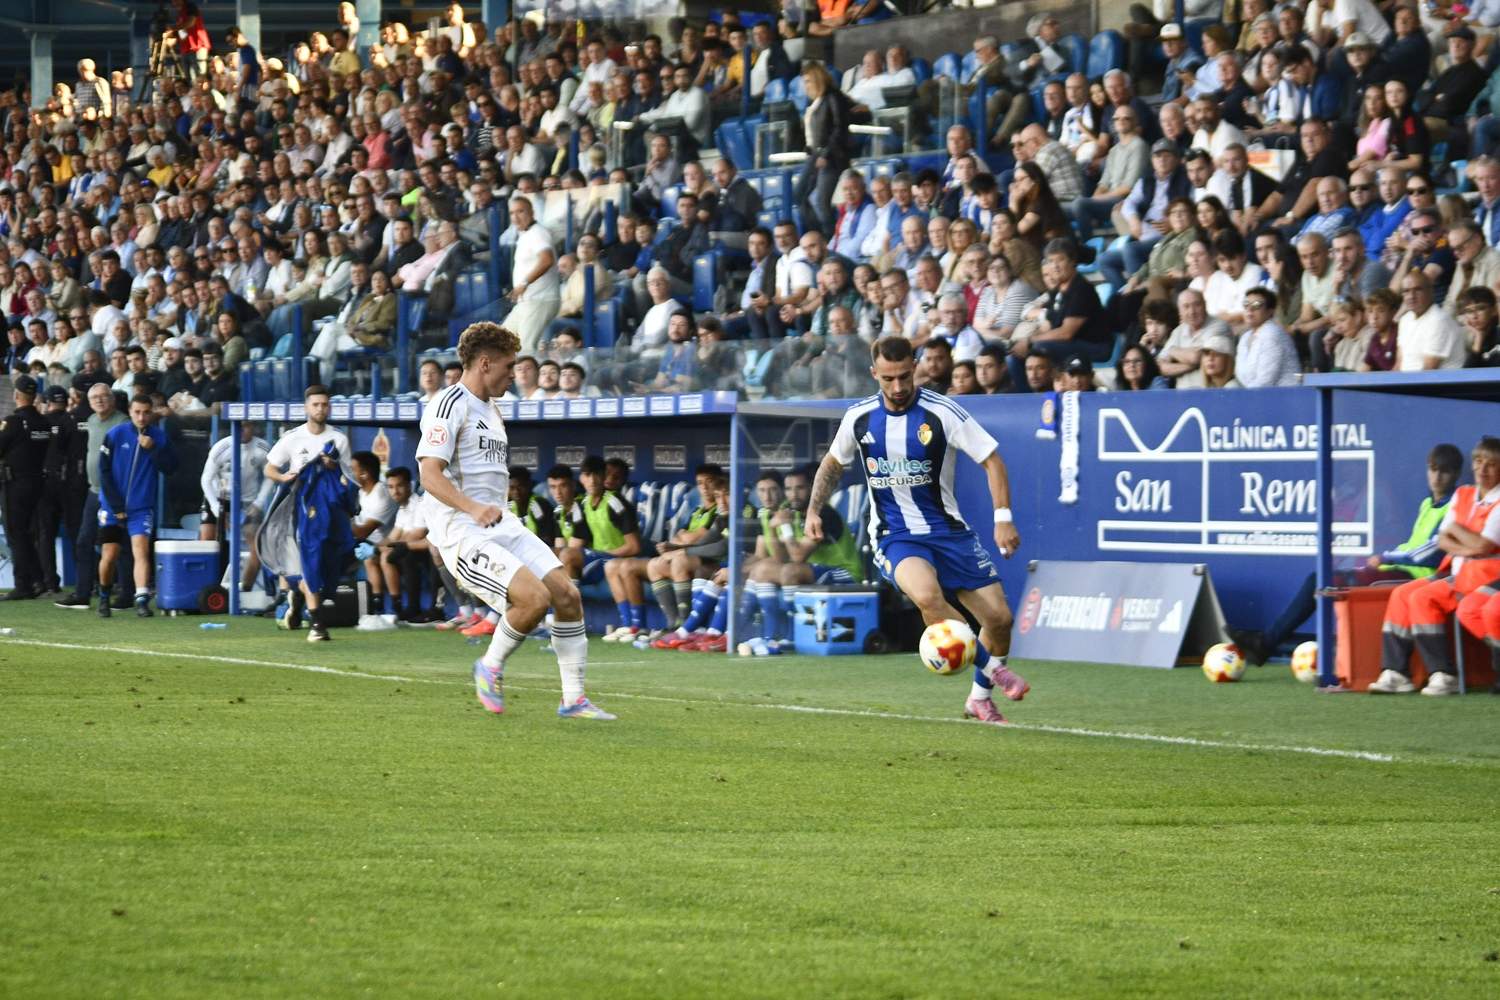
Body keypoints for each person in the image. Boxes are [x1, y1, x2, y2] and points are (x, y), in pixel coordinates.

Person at [807, 336, 1029, 726]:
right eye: (888, 378)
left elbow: (992, 461)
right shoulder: (859, 417)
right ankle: (995, 670)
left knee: (999, 619)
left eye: (905, 376)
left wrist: (1003, 517)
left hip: (949, 532)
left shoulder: (943, 412)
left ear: (917, 366)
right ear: (874, 373)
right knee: (927, 595)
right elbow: (832, 463)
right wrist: (813, 509)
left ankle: (979, 699)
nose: (897, 387)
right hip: (896, 535)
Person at [417, 322, 614, 721]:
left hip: (499, 524)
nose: (513, 374)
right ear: (484, 363)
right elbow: (429, 474)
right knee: (534, 600)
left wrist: (489, 509)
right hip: (463, 531)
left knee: (567, 595)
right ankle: (489, 667)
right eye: (508, 367)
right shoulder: (448, 404)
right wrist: (472, 507)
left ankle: (573, 699)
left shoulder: (492, 409)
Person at [1233, 443, 1461, 666]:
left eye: (1444, 471)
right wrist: (1388, 557)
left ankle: (1270, 644)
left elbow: (1431, 554)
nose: (1437, 477)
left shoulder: (1454, 507)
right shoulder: (1426, 504)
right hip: (1394, 571)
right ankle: (1273, 643)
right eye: (1433, 469)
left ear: (1456, 474)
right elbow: (1414, 544)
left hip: (1417, 579)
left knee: (1324, 581)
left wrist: (1388, 558)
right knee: (1320, 580)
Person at [1369, 437, 1500, 696]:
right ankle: (1396, 672)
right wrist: (1466, 544)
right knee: (1401, 594)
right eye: (1478, 462)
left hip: (1487, 580)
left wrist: (1458, 532)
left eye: (1492, 465)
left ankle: (1442, 673)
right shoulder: (1463, 494)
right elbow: (1443, 538)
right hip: (1458, 574)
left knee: (1422, 597)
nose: (1482, 470)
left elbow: (1484, 545)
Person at [263, 384, 355, 639]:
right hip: (299, 511)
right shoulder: (293, 438)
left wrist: (334, 467)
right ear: (306, 407)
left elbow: (348, 477)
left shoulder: (339, 439)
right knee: (309, 561)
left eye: (324, 404)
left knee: (327, 563)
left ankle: (296, 592)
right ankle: (317, 624)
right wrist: (284, 478)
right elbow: (269, 468)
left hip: (331, 512)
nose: (320, 409)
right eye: (316, 404)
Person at [97, 394, 177, 618]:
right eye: (137, 412)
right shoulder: (115, 434)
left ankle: (141, 599)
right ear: (130, 412)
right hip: (112, 508)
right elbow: (103, 472)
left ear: (151, 413)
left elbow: (171, 468)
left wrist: (153, 450)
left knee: (140, 550)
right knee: (109, 554)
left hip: (141, 508)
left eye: (146, 412)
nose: (141, 417)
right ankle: (104, 595)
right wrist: (115, 505)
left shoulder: (158, 438)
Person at [199, 422, 272, 595]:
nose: (243, 430)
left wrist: (259, 502)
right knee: (207, 538)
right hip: (220, 498)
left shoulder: (262, 448)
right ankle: (206, 587)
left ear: (253, 427)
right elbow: (206, 479)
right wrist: (216, 507)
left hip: (248, 502)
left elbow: (270, 475)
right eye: (240, 426)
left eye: (247, 426)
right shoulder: (222, 447)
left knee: (258, 546)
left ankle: (245, 589)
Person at [0, 375, 50, 599]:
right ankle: (38, 579)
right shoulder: (43, 422)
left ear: (16, 395)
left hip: (16, 484)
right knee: (29, 533)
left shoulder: (12, 422)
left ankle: (23, 585)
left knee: (16, 533)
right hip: (38, 482)